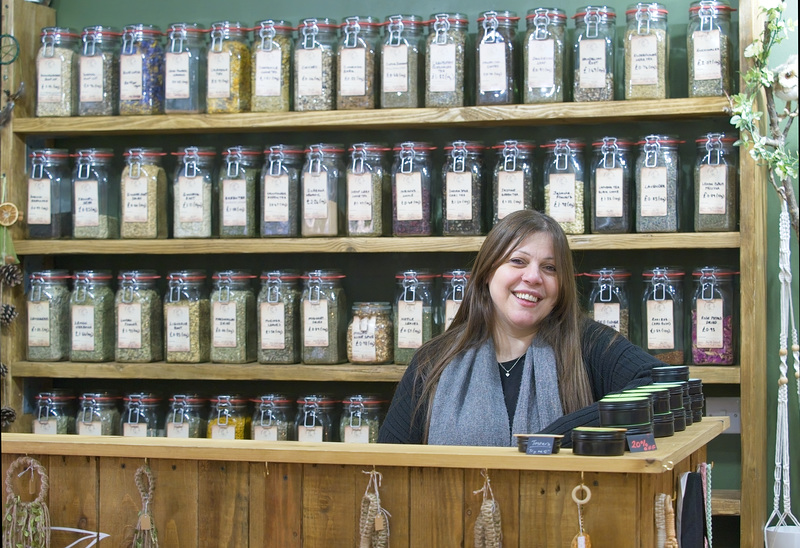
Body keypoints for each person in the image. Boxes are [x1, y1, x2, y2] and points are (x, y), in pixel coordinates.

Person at [378, 209, 661, 447]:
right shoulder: (433, 361)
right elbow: (387, 465)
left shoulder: (587, 344)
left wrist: (562, 433)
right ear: (489, 272)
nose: (533, 277)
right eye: (518, 261)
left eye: (550, 268)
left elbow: (668, 386)